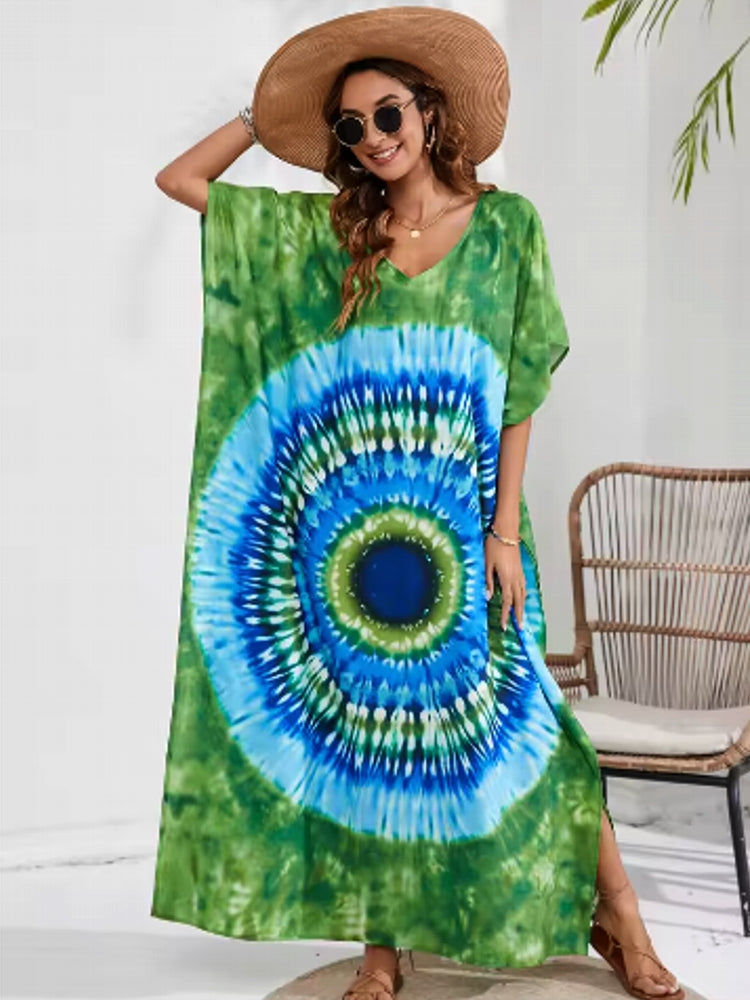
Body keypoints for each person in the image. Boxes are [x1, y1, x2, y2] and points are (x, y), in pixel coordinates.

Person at [150, 8, 683, 1000]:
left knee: (530, 730)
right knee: (373, 737)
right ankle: (382, 953)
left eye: (387, 113)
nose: (372, 137)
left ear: (430, 113)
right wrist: (265, 119)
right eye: (349, 126)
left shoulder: (508, 228)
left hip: (471, 532)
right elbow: (183, 183)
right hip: (356, 545)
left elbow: (520, 389)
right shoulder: (332, 237)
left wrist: (503, 529)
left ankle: (621, 917)